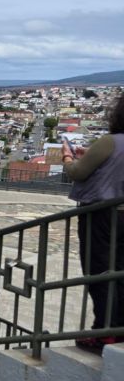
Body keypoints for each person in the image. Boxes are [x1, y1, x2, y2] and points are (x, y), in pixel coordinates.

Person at [62, 93, 124, 352]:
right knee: (120, 271)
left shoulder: (110, 141)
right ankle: (117, 329)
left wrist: (67, 157)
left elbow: (78, 172)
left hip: (102, 215)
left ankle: (104, 332)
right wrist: (91, 154)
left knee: (99, 271)